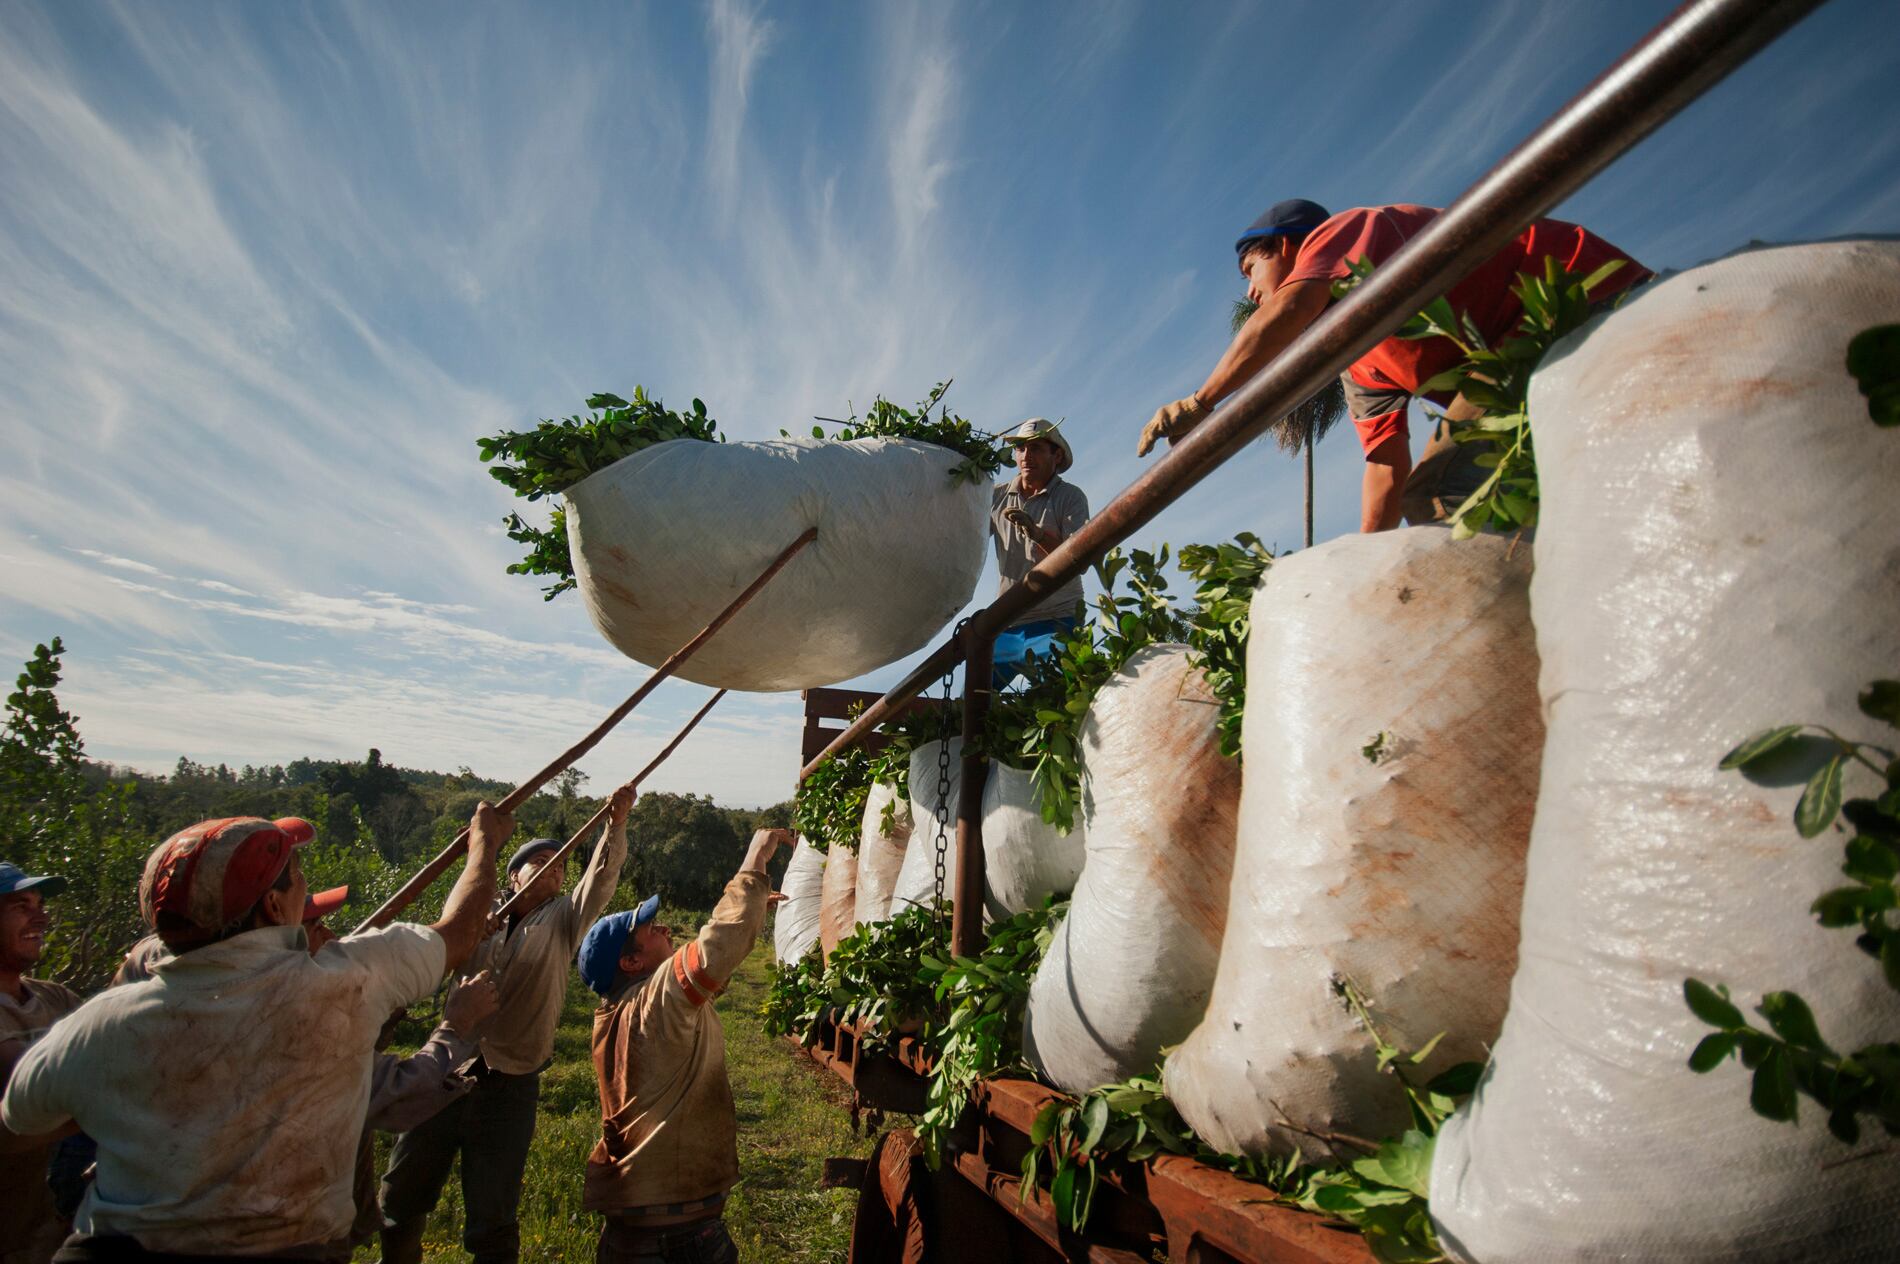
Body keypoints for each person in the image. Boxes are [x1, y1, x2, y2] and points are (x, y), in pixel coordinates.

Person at [0, 806, 509, 1261]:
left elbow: (21, 1122)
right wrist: (485, 842)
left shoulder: (100, 1024)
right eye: (298, 876)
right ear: (272, 907)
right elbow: (460, 931)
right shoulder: (342, 983)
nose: (307, 888)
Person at [1137, 199, 1651, 533]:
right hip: (1519, 361)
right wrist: (1363, 563)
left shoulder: (1347, 232)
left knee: (1440, 493)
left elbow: (1289, 309)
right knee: (1438, 494)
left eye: (1252, 268)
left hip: (1572, 299)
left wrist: (1199, 403)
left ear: (1288, 245)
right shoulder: (1360, 362)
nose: (1250, 290)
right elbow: (1385, 468)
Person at [380, 784, 635, 1264]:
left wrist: (615, 824)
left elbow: (600, 880)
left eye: (560, 865)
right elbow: (433, 953)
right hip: (444, 1070)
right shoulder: (474, 916)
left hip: (510, 1085)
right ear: (513, 876)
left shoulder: (564, 919)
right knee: (400, 1199)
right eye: (540, 862)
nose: (554, 868)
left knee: (493, 1220)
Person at [576, 827, 791, 1264]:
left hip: (637, 1234)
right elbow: (720, 943)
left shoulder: (619, 1012)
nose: (666, 928)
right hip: (677, 1242)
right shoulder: (654, 1002)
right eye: (653, 928)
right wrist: (755, 858)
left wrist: (751, 912)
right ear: (631, 962)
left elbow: (707, 982)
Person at [0, 862, 82, 1264]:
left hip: (39, 1233)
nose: (42, 916)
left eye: (40, 904)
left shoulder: (56, 999)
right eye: (21, 905)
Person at [989, 418, 1091, 688]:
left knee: (1059, 702)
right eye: (1021, 449)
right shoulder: (996, 497)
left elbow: (1079, 561)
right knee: (973, 703)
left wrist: (1037, 533)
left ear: (1056, 455)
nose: (1026, 456)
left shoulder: (1070, 497)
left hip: (1058, 620)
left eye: (1036, 448)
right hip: (1008, 623)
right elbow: (962, 535)